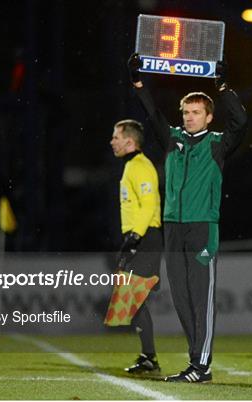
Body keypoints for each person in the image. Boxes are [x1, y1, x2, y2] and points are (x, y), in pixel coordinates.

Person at [127, 53, 247, 383]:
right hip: (173, 229)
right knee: (181, 300)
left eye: (196, 112)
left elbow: (240, 123)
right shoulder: (174, 140)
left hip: (201, 228)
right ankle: (197, 363)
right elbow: (152, 114)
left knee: (201, 299)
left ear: (209, 116)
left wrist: (223, 88)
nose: (189, 117)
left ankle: (201, 364)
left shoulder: (217, 145)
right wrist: (138, 83)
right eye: (186, 112)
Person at [109, 119, 163, 375]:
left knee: (134, 298)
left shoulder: (139, 166)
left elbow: (149, 203)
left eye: (116, 137)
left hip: (145, 238)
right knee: (133, 300)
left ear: (129, 141)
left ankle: (149, 357)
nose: (112, 142)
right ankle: (148, 356)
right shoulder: (132, 166)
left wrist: (134, 238)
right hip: (141, 237)